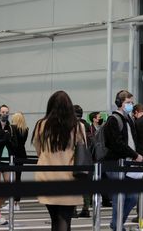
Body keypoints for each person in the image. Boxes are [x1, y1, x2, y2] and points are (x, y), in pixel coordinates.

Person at [33, 91, 86, 231]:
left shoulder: (41, 125)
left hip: (46, 176)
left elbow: (38, 149)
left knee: (54, 218)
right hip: (69, 177)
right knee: (65, 219)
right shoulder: (78, 126)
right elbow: (82, 150)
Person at [104, 90, 143, 231]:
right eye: (128, 102)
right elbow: (116, 144)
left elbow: (132, 141)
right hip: (115, 163)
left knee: (132, 197)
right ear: (119, 103)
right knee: (119, 197)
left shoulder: (129, 119)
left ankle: (116, 223)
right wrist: (134, 154)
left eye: (131, 103)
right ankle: (118, 226)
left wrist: (135, 155)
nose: (130, 105)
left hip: (128, 163)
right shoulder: (113, 120)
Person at [1, 112, 29, 211]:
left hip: (13, 155)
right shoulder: (25, 129)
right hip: (22, 155)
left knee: (11, 179)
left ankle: (11, 201)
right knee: (18, 178)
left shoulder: (12, 128)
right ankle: (16, 202)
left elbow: (11, 142)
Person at [74, 104, 92, 218]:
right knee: (85, 185)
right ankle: (86, 209)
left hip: (75, 158)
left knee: (74, 185)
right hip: (87, 157)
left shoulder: (73, 125)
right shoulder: (86, 124)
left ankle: (73, 209)